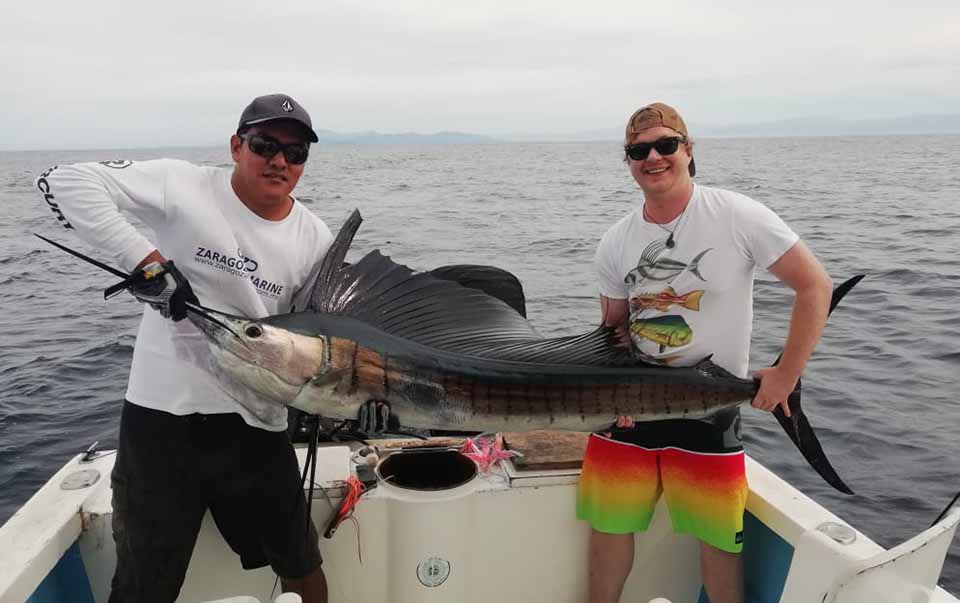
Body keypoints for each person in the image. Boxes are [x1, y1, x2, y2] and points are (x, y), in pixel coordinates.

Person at [35, 93, 333, 603]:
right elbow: (63, 180)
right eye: (265, 145)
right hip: (160, 423)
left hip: (257, 423)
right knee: (144, 584)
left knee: (302, 564)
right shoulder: (182, 183)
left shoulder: (315, 237)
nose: (280, 160)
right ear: (236, 146)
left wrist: (354, 398)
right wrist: (146, 261)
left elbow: (319, 340)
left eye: (296, 152)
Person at [576, 102, 833, 603]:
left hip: (709, 408)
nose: (653, 157)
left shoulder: (737, 215)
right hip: (631, 409)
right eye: (639, 150)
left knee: (718, 541)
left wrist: (786, 373)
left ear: (688, 150)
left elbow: (815, 286)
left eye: (665, 145)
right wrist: (608, 399)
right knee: (608, 528)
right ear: (627, 161)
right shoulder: (615, 241)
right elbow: (612, 330)